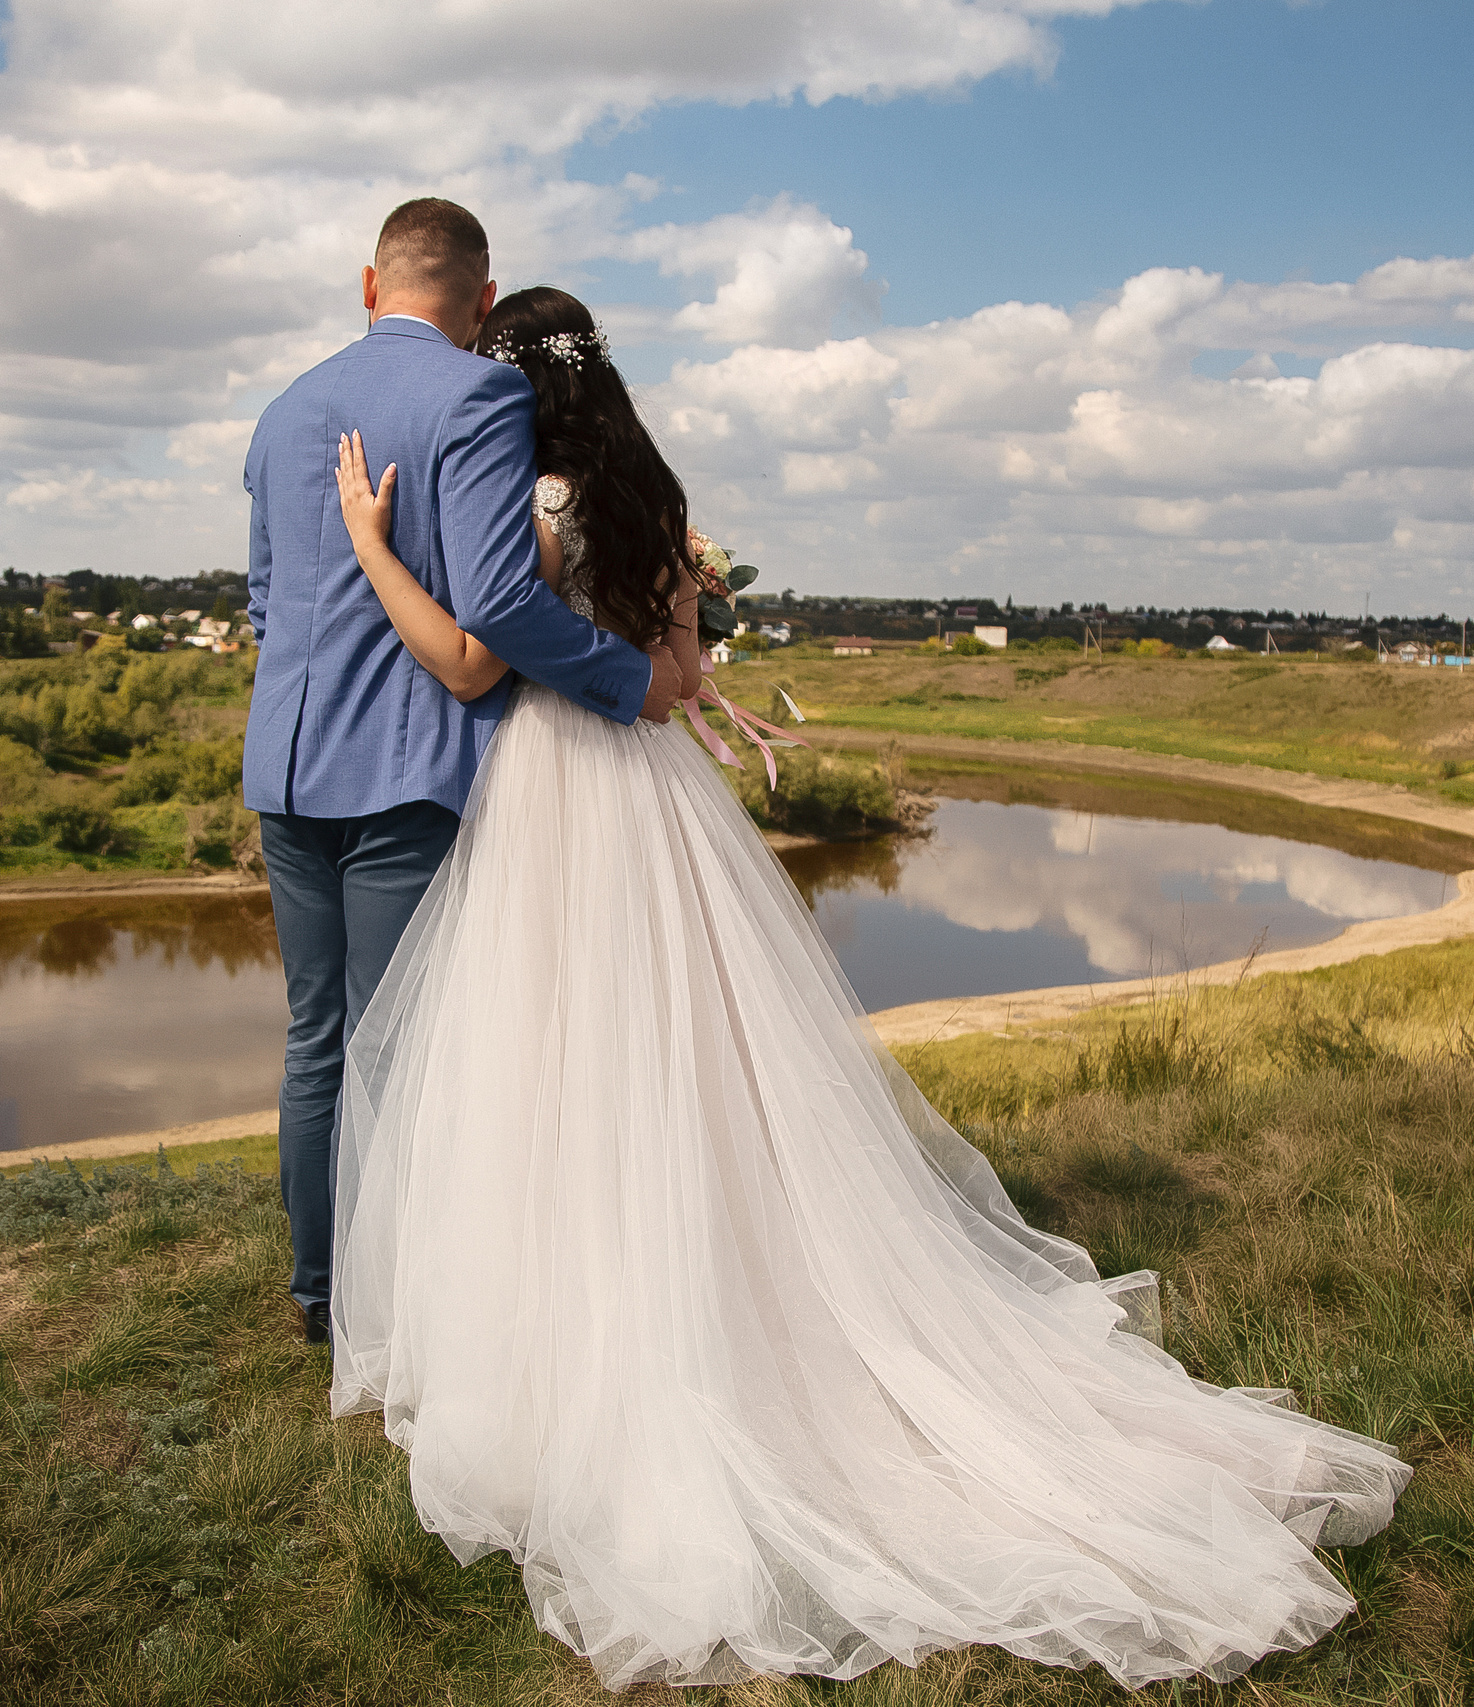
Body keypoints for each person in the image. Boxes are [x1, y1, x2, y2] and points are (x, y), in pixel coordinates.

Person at [327, 286, 1410, 1691]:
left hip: (556, 795)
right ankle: (728, 1283)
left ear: (510, 385)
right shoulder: (651, 504)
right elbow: (678, 678)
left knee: (553, 1058)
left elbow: (480, 661)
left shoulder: (525, 509)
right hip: (658, 804)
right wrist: (671, 627)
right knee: (695, 1056)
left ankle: (585, 1340)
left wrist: (372, 545)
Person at [242, 207, 683, 1346]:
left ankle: (319, 1295)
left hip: (284, 767)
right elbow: (497, 603)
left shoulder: (283, 409)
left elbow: (266, 604)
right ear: (482, 301)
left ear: (367, 283)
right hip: (405, 767)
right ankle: (388, 1303)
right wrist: (627, 680)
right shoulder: (479, 394)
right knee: (398, 1039)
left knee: (315, 1038)